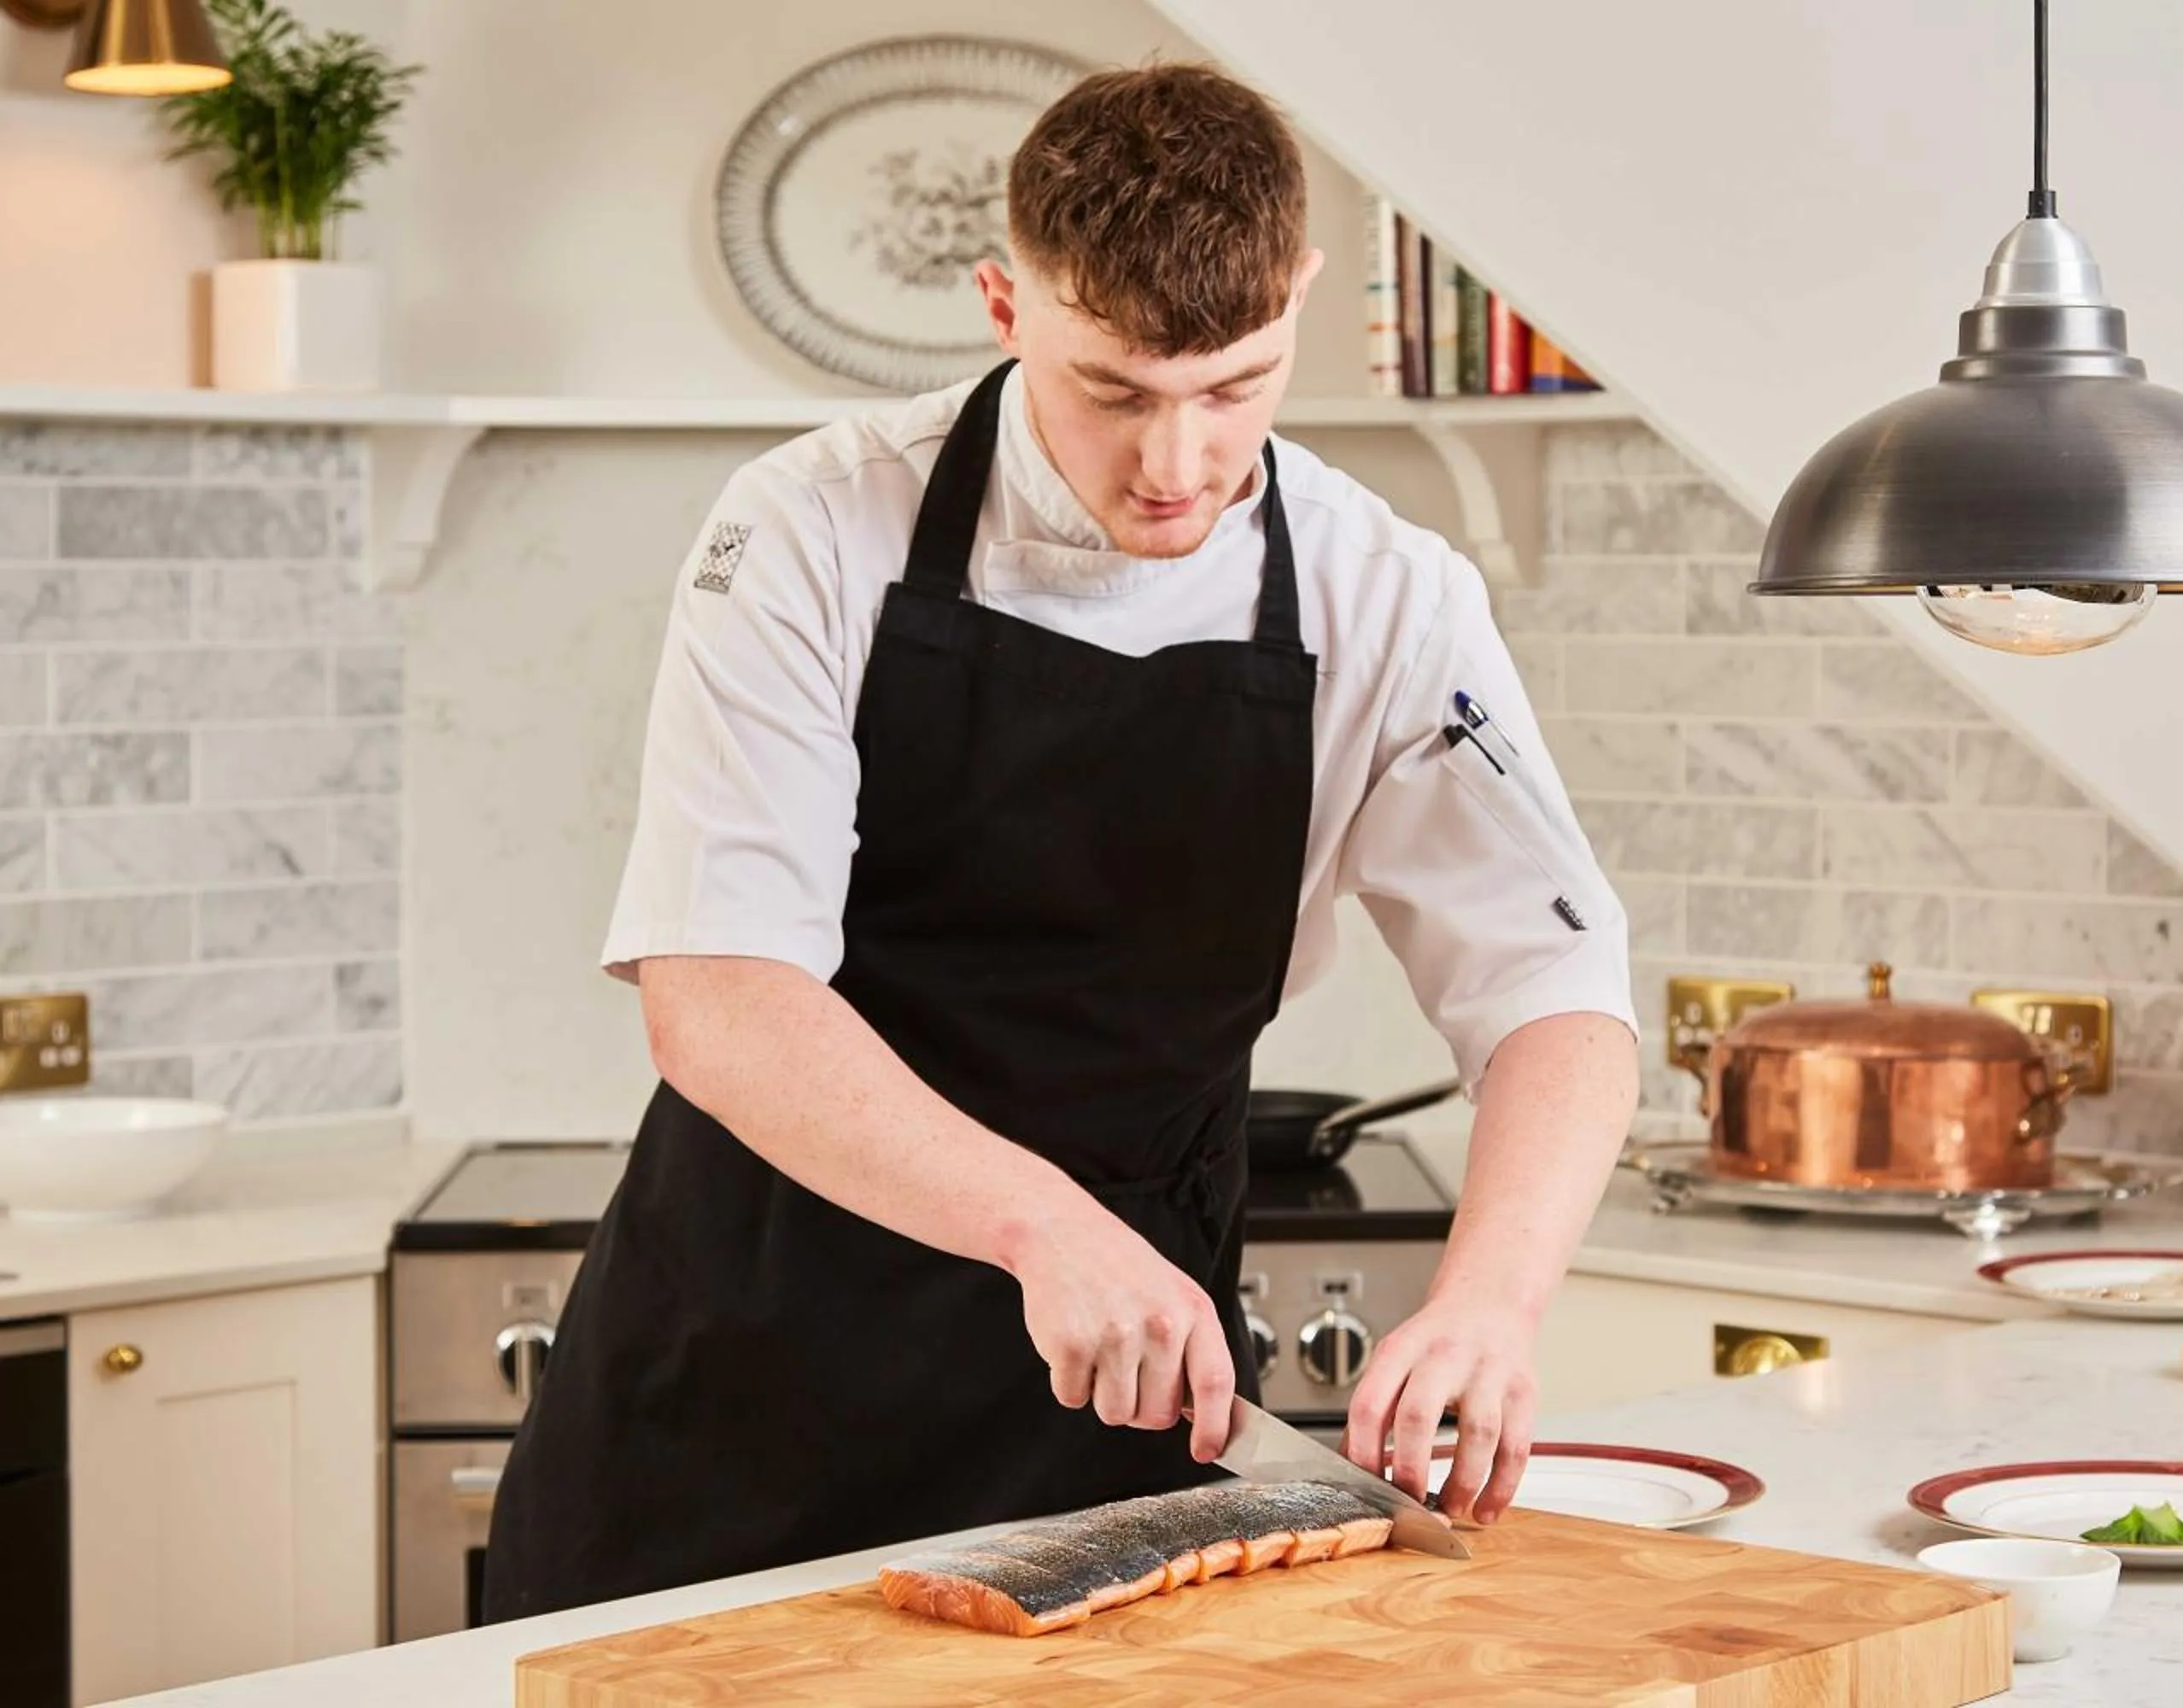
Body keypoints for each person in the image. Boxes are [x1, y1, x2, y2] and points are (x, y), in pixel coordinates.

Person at [483, 61, 1638, 1620]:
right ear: (1002, 303)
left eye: (1237, 387)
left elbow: (1556, 989)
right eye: (1114, 392)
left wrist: (1495, 1299)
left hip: (1129, 1397)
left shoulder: (1389, 590)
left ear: (1295, 301)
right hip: (748, 1366)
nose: (1177, 466)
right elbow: (719, 993)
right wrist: (1037, 1226)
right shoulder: (812, 530)